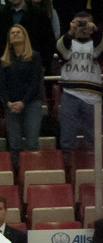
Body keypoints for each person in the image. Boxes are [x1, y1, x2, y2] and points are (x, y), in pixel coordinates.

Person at [56, 12, 103, 160]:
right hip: (70, 93)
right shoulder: (67, 43)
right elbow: (62, 49)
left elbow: (98, 48)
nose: (82, 27)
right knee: (67, 135)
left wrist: (95, 31)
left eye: (86, 23)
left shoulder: (96, 43)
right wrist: (71, 31)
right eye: (79, 23)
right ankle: (67, 166)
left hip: (93, 96)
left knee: (92, 135)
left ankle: (91, 167)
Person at [0, 24, 44, 169]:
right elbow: (2, 85)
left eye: (19, 32)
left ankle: (32, 174)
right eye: (12, 33)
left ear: (25, 36)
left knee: (31, 143)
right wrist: (9, 103)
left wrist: (23, 102)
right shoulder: (4, 60)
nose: (16, 34)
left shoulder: (35, 56)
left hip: (31, 103)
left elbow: (35, 82)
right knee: (15, 143)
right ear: (9, 39)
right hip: (11, 105)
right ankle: (17, 178)